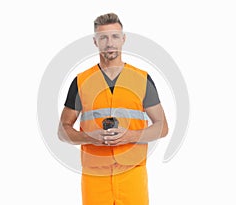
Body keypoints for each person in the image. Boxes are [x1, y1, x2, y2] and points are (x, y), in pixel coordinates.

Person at [58, 13, 168, 205]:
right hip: (95, 178)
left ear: (123, 39)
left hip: (132, 175)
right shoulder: (81, 81)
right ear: (95, 41)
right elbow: (63, 131)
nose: (110, 43)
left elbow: (162, 127)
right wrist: (90, 137)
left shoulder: (142, 79)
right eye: (103, 37)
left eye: (115, 36)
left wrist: (130, 136)